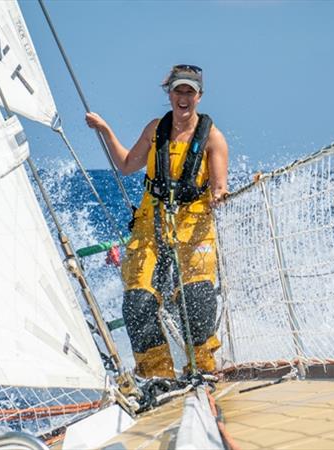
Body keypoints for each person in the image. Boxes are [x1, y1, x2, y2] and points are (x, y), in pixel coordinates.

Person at [85, 64, 228, 378]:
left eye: (190, 91)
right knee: (137, 301)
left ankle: (202, 369)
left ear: (199, 96)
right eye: (179, 90)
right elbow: (125, 165)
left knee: (197, 298)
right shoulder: (155, 130)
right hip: (151, 228)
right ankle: (156, 376)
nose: (184, 97)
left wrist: (219, 194)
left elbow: (219, 185)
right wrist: (105, 131)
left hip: (195, 229)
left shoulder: (213, 139)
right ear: (170, 94)